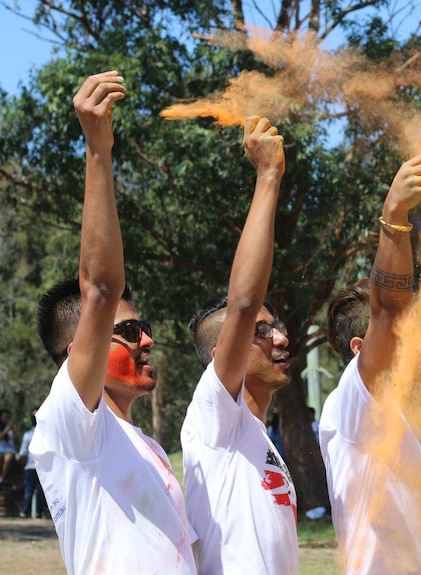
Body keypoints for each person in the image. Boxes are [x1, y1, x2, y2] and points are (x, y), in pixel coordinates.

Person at [31, 71, 196, 574]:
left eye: (141, 326)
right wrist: (99, 151)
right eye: (125, 332)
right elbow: (101, 289)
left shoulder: (149, 449)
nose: (146, 339)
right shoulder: (71, 428)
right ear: (77, 354)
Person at [319, 150, 421, 574]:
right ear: (361, 349)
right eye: (406, 338)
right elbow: (389, 312)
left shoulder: (408, 418)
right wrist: (395, 216)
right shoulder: (355, 407)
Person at [182, 116, 299, 574]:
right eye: (262, 332)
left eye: (278, 327)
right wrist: (268, 177)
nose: (281, 338)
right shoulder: (214, 420)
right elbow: (244, 302)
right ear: (221, 357)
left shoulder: (261, 440)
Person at [17, 407, 47, 519]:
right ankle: (38, 512)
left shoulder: (28, 434)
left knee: (29, 490)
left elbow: (23, 452)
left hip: (30, 466)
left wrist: (22, 463)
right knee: (41, 491)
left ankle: (25, 512)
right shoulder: (48, 433)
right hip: (44, 467)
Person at [0, 409, 18, 485]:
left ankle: (2, 478)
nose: (6, 418)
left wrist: (14, 432)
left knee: (7, 459)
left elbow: (16, 442)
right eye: (4, 417)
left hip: (10, 448)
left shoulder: (12, 427)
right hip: (1, 447)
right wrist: (6, 430)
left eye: (7, 417)